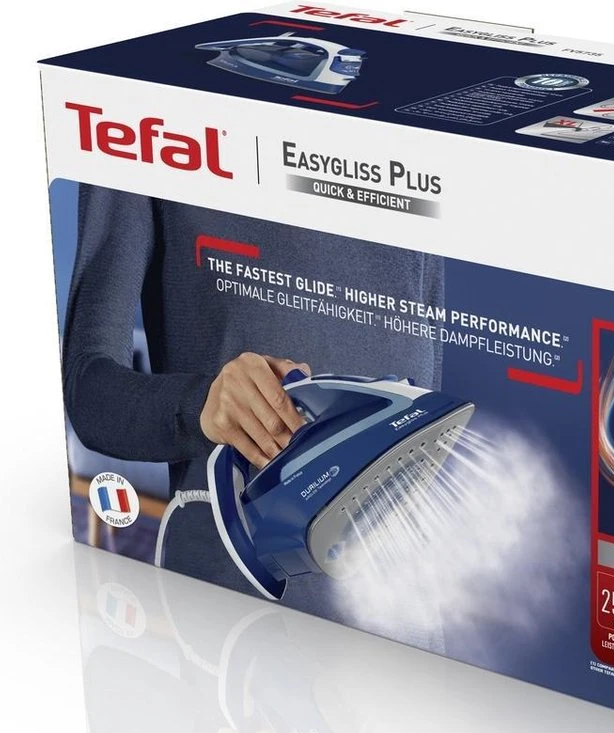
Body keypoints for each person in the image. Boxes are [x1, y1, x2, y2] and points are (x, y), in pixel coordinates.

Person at [62, 184, 444, 617]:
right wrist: (202, 404)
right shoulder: (151, 151)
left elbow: (426, 390)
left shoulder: (410, 172)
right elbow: (88, 389)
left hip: (402, 612)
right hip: (232, 611)